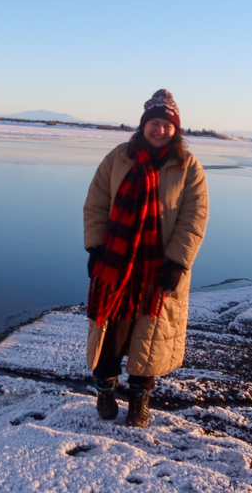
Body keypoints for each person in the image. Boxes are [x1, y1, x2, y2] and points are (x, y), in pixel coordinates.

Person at [83, 89, 209, 426]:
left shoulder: (187, 166)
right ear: (143, 125)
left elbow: (194, 217)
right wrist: (95, 249)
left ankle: (139, 400)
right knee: (112, 334)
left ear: (175, 130)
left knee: (150, 336)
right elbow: (96, 203)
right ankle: (105, 390)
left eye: (167, 125)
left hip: (159, 269)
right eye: (154, 123)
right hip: (117, 266)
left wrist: (178, 262)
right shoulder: (119, 157)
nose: (160, 130)